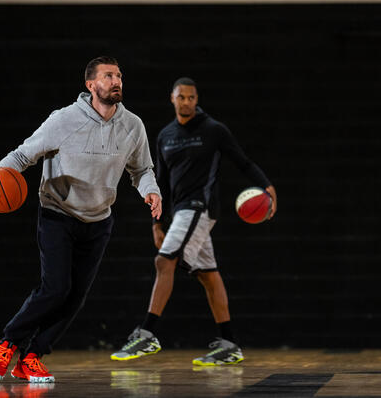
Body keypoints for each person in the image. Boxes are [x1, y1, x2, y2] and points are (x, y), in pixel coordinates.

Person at [0, 56, 162, 383]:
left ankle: (32, 357)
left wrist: (151, 190)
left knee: (75, 297)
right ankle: (6, 343)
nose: (116, 80)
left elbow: (142, 169)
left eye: (119, 75)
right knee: (55, 288)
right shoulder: (63, 120)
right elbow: (22, 155)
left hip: (99, 220)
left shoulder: (133, 125)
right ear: (91, 84)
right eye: (108, 76)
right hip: (57, 214)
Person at [110, 77, 276, 366]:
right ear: (172, 99)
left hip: (200, 207)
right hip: (180, 213)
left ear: (196, 99)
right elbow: (160, 181)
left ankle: (147, 334)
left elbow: (243, 161)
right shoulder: (165, 136)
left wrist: (267, 186)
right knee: (208, 275)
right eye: (181, 97)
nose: (186, 101)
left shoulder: (213, 130)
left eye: (191, 97)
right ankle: (229, 343)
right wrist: (156, 223)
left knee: (164, 262)